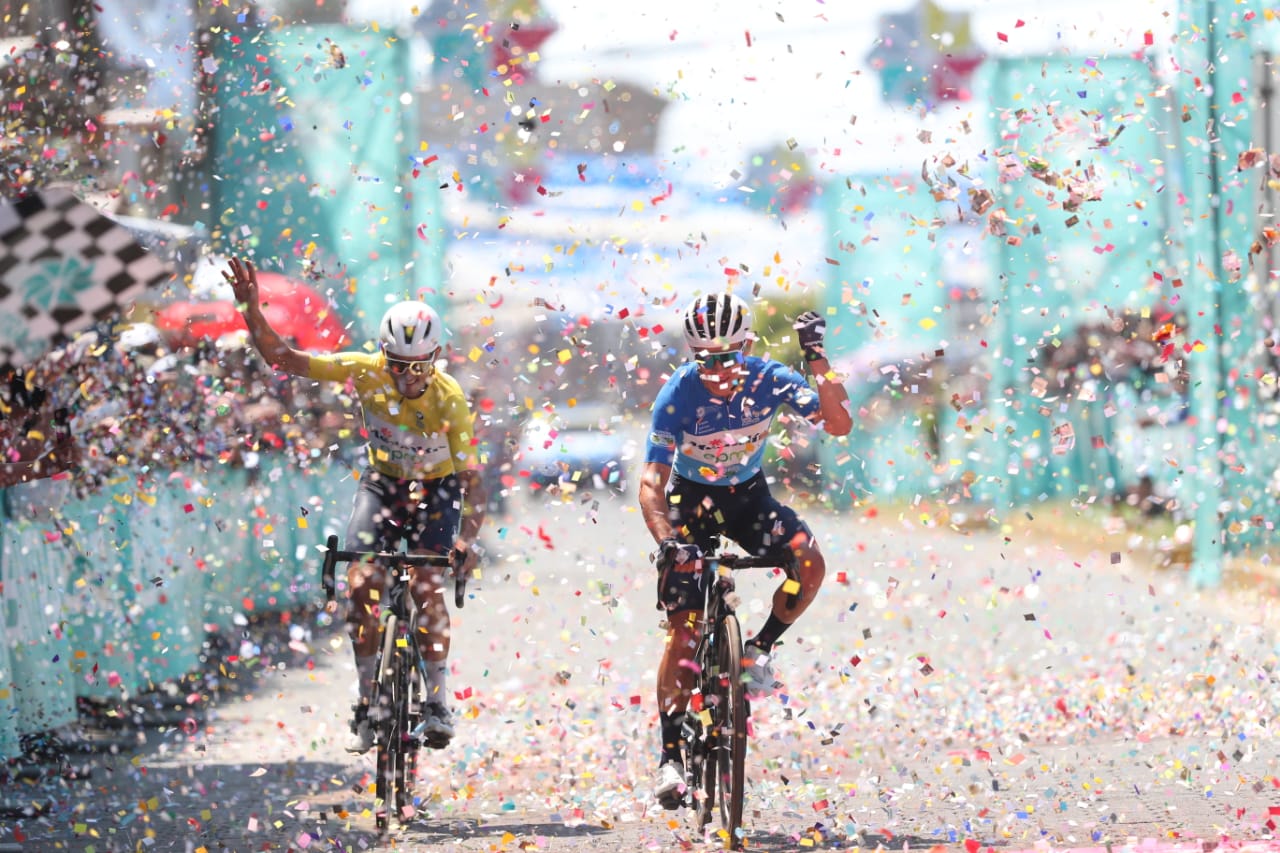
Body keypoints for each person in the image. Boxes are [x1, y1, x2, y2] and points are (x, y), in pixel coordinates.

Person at [224, 257, 486, 753]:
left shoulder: (450, 399)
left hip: (436, 492)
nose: (408, 377)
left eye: (419, 367)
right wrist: (251, 311)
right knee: (361, 590)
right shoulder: (364, 371)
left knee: (428, 588)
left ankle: (436, 701)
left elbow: (474, 482)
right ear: (383, 356)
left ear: (435, 359)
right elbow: (285, 360)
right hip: (384, 485)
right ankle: (367, 703)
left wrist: (466, 541)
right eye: (398, 366)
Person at [637, 293, 852, 808]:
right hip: (691, 503)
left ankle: (757, 650)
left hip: (747, 496)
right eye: (704, 360)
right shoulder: (677, 394)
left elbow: (838, 423)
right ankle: (669, 756)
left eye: (727, 358)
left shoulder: (770, 377)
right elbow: (651, 481)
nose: (716, 371)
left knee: (810, 564)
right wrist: (668, 542)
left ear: (747, 347)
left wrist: (816, 358)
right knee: (685, 629)